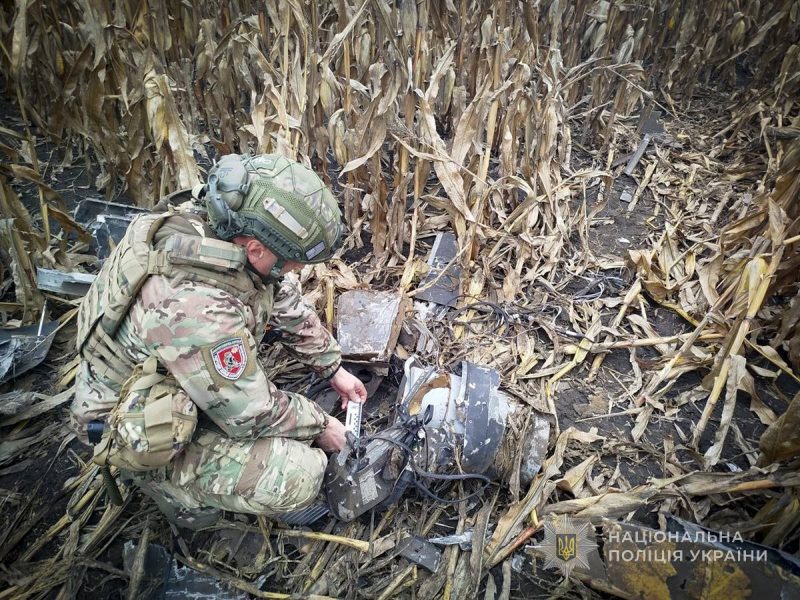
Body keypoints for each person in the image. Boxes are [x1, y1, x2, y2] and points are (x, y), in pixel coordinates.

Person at [69, 153, 368, 527]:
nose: (296, 271)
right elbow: (252, 414)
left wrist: (332, 367)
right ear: (255, 248)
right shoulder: (194, 306)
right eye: (294, 263)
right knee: (300, 473)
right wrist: (324, 426)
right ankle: (170, 490)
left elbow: (277, 293)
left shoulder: (213, 224)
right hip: (131, 421)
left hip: (169, 369)